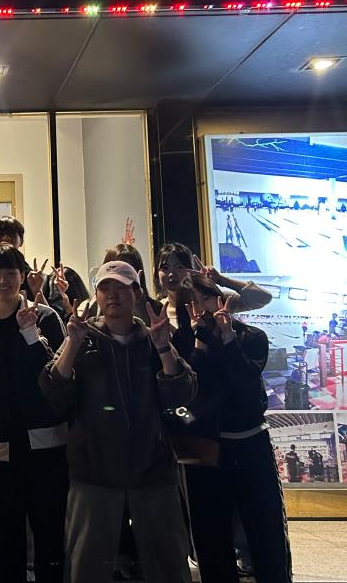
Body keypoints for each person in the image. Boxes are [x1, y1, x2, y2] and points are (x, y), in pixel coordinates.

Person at [40, 261, 198, 583]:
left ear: (137, 293)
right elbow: (54, 391)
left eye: (121, 288)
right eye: (105, 288)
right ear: (96, 295)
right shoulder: (83, 339)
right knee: (86, 567)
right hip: (94, 473)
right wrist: (72, 342)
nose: (112, 295)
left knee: (168, 565)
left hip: (152, 471)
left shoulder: (153, 338)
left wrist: (163, 347)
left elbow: (182, 393)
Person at [0, 245, 69, 582]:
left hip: (45, 441)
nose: (3, 280)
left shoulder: (45, 318)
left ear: (23, 276)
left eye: (10, 273)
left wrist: (30, 335)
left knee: (50, 531)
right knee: (2, 535)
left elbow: (57, 378)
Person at [180, 274, 292, 583]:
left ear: (220, 297)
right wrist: (201, 345)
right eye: (192, 303)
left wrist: (228, 338)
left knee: (265, 529)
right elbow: (193, 393)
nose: (201, 308)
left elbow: (244, 383)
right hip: (206, 449)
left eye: (206, 297)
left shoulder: (252, 337)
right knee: (211, 535)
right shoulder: (186, 342)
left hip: (250, 442)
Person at [154, 242, 272, 328]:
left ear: (192, 270)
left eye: (179, 267)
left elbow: (263, 298)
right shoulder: (156, 310)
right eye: (165, 268)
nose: (171, 274)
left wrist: (221, 280)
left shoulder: (214, 301)